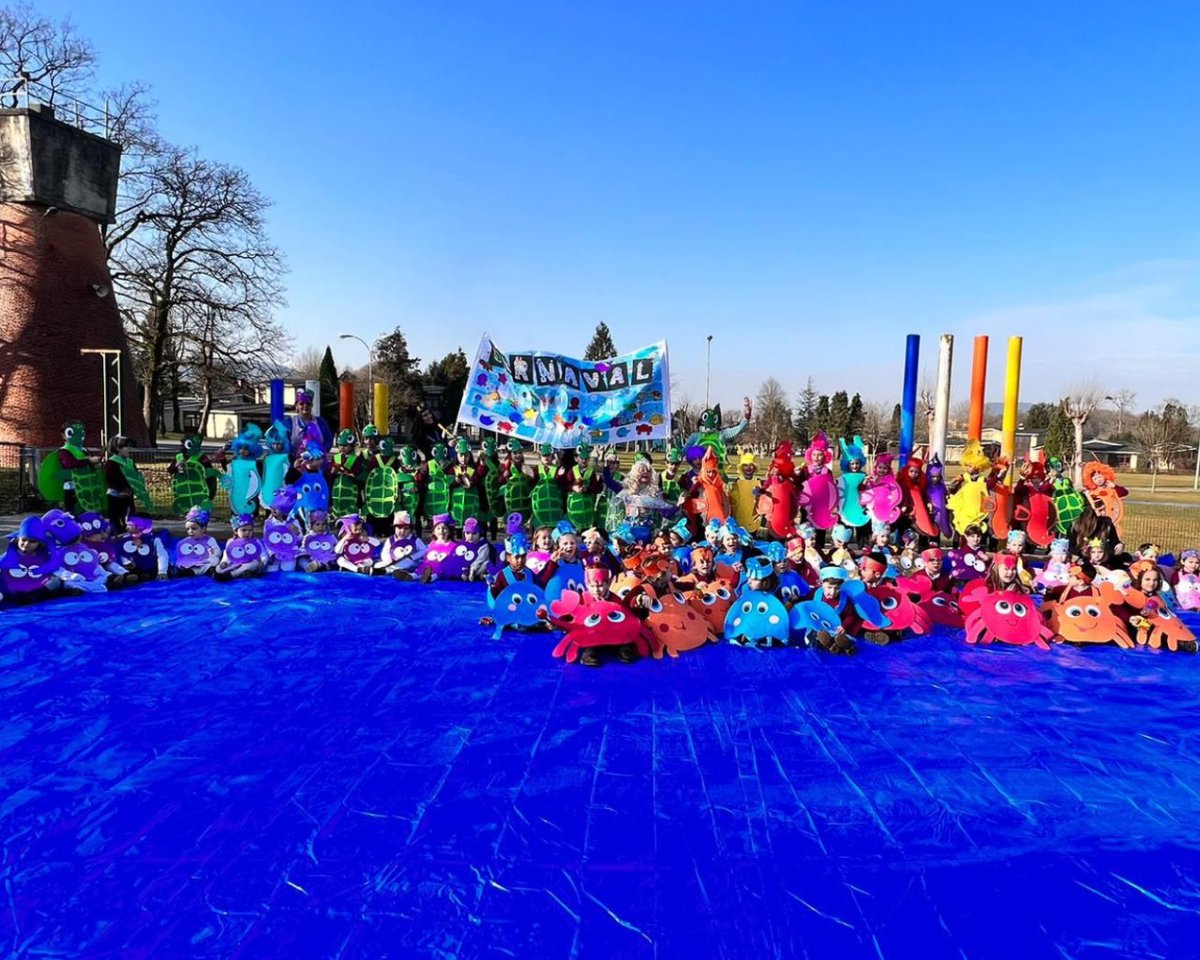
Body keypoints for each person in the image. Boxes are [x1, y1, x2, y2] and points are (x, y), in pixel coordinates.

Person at [376, 510, 427, 580]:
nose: (402, 531)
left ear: (410, 529)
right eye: (399, 528)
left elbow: (425, 550)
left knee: (419, 564)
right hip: (393, 563)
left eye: (406, 528)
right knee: (378, 565)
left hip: (410, 563)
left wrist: (414, 557)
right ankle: (391, 571)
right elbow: (384, 553)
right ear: (394, 528)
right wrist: (389, 559)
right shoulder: (391, 540)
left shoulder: (415, 540)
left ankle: (406, 574)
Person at [215, 515, 267, 581]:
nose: (247, 532)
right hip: (236, 563)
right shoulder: (231, 542)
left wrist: (263, 562)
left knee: (251, 565)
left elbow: (263, 554)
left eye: (250, 530)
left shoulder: (256, 541)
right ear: (236, 531)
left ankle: (232, 575)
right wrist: (224, 562)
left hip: (251, 562)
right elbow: (227, 554)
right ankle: (245, 573)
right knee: (218, 569)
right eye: (244, 530)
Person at [285, 388, 333, 454]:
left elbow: (328, 441)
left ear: (312, 405)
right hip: (294, 461)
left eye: (308, 404)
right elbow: (283, 442)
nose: (305, 406)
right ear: (296, 406)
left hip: (317, 460)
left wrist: (320, 452)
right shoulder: (289, 422)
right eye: (301, 404)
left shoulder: (320, 422)